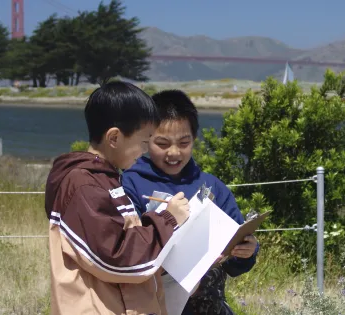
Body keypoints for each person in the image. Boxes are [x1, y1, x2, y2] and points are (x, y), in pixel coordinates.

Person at [44, 82, 190, 315]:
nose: (145, 152)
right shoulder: (83, 185)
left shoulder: (107, 179)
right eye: (144, 142)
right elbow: (116, 257)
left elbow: (121, 239)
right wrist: (168, 220)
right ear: (114, 138)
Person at [122, 89, 259, 315]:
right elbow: (126, 249)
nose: (174, 153)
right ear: (146, 140)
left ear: (195, 138)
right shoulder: (130, 183)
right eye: (163, 144)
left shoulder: (213, 187)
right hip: (151, 306)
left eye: (184, 142)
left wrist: (247, 251)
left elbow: (237, 255)